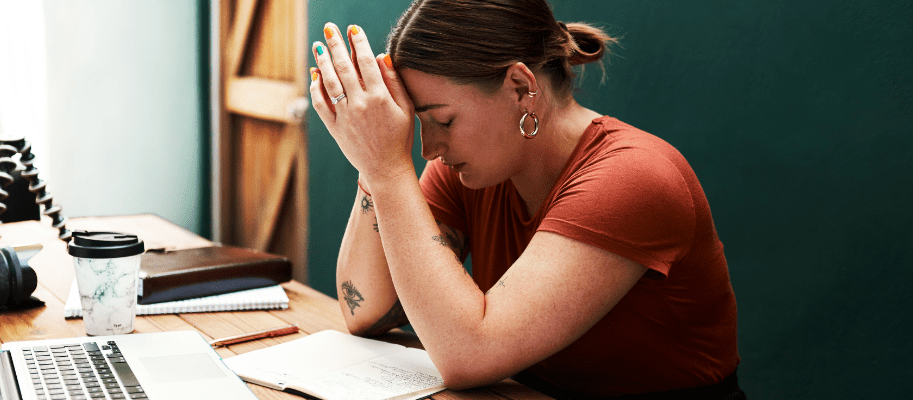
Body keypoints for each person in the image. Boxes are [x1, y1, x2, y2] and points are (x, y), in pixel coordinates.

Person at [308, 0, 743, 398]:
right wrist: (373, 162)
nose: (427, 148)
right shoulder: (474, 167)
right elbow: (363, 309)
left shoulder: (633, 177)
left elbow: (468, 355)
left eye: (442, 119)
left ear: (520, 87)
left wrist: (388, 169)